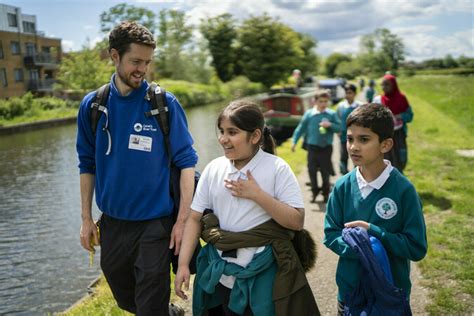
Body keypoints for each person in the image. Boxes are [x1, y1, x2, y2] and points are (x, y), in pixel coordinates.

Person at [76, 21, 198, 315]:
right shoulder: (93, 106)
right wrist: (85, 219)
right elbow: (86, 163)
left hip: (155, 223)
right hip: (113, 224)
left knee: (150, 305)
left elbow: (187, 164)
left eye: (147, 62)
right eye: (135, 61)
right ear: (114, 56)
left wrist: (182, 222)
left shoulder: (163, 103)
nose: (142, 69)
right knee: (125, 298)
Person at [174, 100, 319, 316]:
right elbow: (195, 219)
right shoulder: (214, 169)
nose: (223, 139)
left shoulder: (277, 168)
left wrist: (257, 195)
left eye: (232, 132)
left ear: (255, 136)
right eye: (221, 131)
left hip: (265, 275)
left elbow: (296, 221)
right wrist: (183, 264)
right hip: (222, 275)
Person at [323, 103, 427, 315]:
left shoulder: (403, 190)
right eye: (350, 138)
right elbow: (330, 234)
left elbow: (416, 248)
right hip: (350, 292)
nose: (353, 147)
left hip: (388, 295)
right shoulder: (342, 186)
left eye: (364, 139)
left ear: (385, 145)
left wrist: (374, 233)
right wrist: (359, 247)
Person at [291, 90, 341, 203]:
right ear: (315, 101)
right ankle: (314, 192)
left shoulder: (331, 114)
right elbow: (300, 128)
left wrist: (330, 125)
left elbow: (339, 128)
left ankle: (325, 193)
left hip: (326, 148)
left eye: (325, 101)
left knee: (325, 171)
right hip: (312, 147)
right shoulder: (309, 114)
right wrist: (294, 142)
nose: (323, 104)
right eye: (321, 101)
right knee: (312, 170)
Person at [373, 74, 413, 172]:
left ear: (393, 85)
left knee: (399, 158)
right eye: (382, 85)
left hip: (398, 134)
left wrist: (399, 116)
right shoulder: (378, 100)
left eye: (387, 85)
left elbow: (410, 116)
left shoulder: (401, 99)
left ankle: (398, 178)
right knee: (384, 159)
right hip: (384, 134)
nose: (384, 87)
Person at [336, 83, 363, 175]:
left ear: (355, 93)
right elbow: (338, 119)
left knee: (357, 155)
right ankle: (344, 175)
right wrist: (338, 131)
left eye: (350, 93)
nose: (347, 95)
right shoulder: (340, 106)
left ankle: (357, 175)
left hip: (357, 136)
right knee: (343, 155)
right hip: (344, 136)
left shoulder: (360, 106)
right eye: (346, 93)